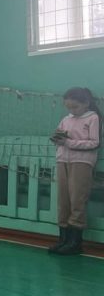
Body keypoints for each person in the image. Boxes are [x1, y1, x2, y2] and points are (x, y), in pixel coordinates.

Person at [49, 87, 100, 256]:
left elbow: (94, 143)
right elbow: (61, 136)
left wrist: (69, 143)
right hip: (62, 160)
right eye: (68, 107)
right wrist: (57, 139)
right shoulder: (66, 119)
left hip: (82, 162)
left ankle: (75, 243)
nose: (72, 110)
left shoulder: (93, 118)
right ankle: (63, 240)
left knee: (77, 200)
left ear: (86, 103)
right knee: (63, 201)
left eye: (75, 106)